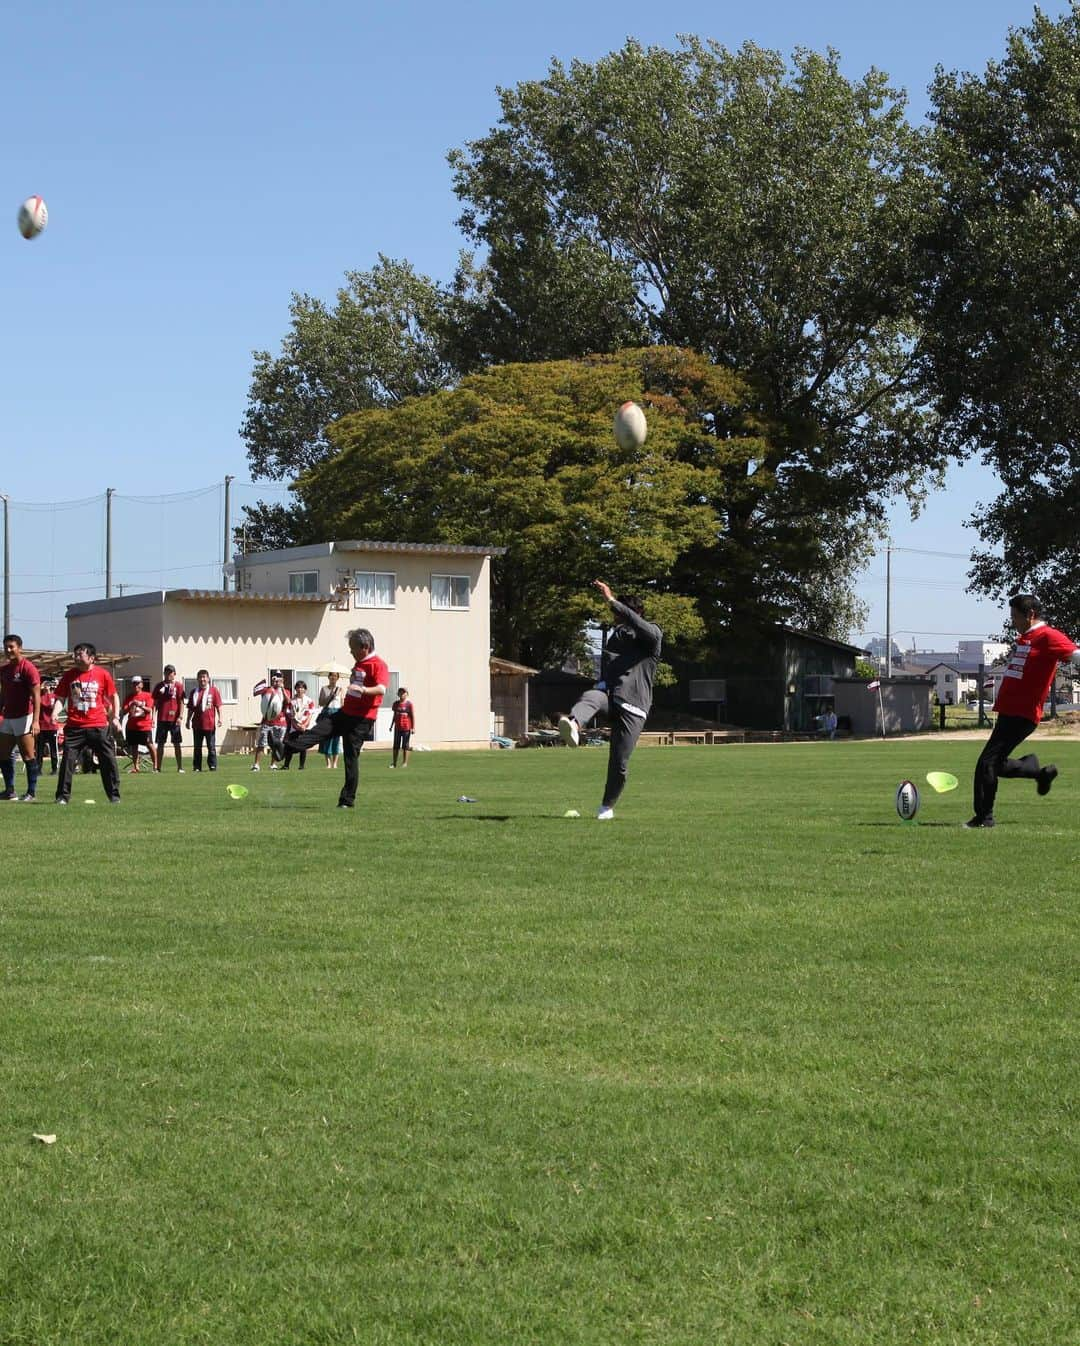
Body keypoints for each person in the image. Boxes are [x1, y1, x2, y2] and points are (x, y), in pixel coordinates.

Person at [967, 593, 1079, 829]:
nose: (1012, 622)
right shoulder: (1026, 638)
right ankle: (1037, 772)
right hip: (1009, 711)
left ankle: (984, 818)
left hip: (1022, 714)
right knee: (993, 764)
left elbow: (1076, 654)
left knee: (986, 763)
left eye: (1015, 617)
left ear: (1030, 615)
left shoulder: (1049, 636)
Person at [558, 580, 662, 820]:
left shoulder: (652, 636)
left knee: (619, 762)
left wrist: (611, 600)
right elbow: (610, 669)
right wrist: (603, 683)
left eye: (618, 612)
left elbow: (637, 624)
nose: (614, 615)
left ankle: (607, 806)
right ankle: (574, 724)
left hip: (634, 707)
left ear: (635, 613)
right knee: (590, 696)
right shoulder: (616, 638)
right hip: (610, 697)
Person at [281, 629, 388, 808]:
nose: (351, 652)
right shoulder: (359, 664)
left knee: (350, 758)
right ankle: (284, 749)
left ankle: (347, 801)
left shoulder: (378, 664)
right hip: (345, 713)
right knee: (317, 731)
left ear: (365, 647)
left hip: (361, 720)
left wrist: (364, 690)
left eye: (353, 648)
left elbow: (381, 689)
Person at [53, 642, 122, 804]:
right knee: (68, 761)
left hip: (98, 725)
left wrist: (115, 717)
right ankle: (62, 797)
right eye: (75, 655)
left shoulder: (103, 674)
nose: (76, 658)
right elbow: (61, 697)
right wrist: (55, 711)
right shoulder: (69, 675)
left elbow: (114, 697)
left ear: (91, 658)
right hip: (75, 726)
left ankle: (114, 796)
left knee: (108, 760)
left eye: (80, 655)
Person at [0, 634, 42, 802]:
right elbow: (3, 694)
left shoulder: (28, 668)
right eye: (6, 647)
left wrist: (36, 720)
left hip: (24, 717)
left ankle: (31, 792)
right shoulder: (4, 670)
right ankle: (10, 791)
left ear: (20, 648)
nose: (8, 650)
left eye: (11, 647)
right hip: (8, 718)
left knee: (28, 756)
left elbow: (36, 696)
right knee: (2, 754)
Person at [251, 670, 291, 771]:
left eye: (279, 677)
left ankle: (273, 764)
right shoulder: (268, 690)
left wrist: (281, 688)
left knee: (276, 745)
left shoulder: (286, 691)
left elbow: (288, 701)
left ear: (283, 679)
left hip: (281, 723)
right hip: (268, 721)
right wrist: (270, 685)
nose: (277, 680)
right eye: (275, 677)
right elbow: (256, 691)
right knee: (261, 744)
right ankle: (256, 764)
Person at [186, 669, 223, 772]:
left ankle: (212, 765)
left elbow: (218, 705)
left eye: (204, 677)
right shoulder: (194, 692)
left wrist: (220, 718)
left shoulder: (213, 690)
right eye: (200, 677)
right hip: (197, 724)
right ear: (197, 679)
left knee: (211, 747)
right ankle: (197, 767)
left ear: (208, 678)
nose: (202, 679)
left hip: (209, 724)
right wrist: (188, 720)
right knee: (197, 748)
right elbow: (190, 708)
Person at [152, 664, 186, 773]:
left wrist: (180, 716)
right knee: (160, 743)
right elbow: (155, 703)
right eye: (166, 672)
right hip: (162, 718)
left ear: (174, 674)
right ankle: (158, 768)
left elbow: (181, 702)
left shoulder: (179, 686)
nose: (169, 675)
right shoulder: (159, 686)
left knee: (177, 743)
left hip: (174, 719)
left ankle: (180, 767)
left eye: (171, 672)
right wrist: (153, 717)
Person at [122, 674, 157, 773]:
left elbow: (149, 710)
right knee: (134, 746)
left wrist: (140, 704)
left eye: (138, 684)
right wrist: (131, 704)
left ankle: (155, 766)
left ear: (142, 684)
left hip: (144, 726)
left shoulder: (147, 695)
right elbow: (124, 711)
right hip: (132, 726)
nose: (136, 686)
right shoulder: (129, 697)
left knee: (149, 744)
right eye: (134, 684)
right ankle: (136, 767)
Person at [281, 680, 315, 769]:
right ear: (295, 689)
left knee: (303, 747)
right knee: (289, 745)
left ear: (305, 689)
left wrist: (304, 725)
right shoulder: (292, 701)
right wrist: (296, 725)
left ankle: (301, 766)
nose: (300, 689)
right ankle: (286, 765)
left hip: (305, 728)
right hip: (294, 728)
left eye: (302, 688)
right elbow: (290, 715)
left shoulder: (309, 701)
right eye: (298, 687)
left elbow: (310, 714)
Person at [317, 670, 343, 768]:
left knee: (336, 738)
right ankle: (328, 763)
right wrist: (330, 696)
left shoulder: (340, 689)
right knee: (326, 737)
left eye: (335, 676)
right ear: (328, 677)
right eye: (331, 676)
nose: (333, 678)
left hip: (337, 713)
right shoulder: (324, 689)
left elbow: (342, 703)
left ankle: (335, 763)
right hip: (327, 713)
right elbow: (321, 702)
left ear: (337, 678)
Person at [36, 676, 59, 776]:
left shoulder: (54, 696)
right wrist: (41, 689)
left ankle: (54, 769)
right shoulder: (39, 695)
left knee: (54, 750)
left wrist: (49, 693)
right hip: (41, 726)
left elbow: (50, 706)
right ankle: (38, 769)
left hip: (52, 726)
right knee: (39, 750)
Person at [390, 687, 415, 768]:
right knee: (396, 746)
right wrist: (391, 725)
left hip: (406, 728)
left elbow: (412, 716)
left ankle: (405, 763)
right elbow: (394, 715)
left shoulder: (409, 704)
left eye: (403, 693)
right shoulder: (395, 704)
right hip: (397, 728)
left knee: (405, 746)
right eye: (400, 692)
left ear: (407, 694)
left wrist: (413, 727)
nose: (402, 694)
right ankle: (394, 763)